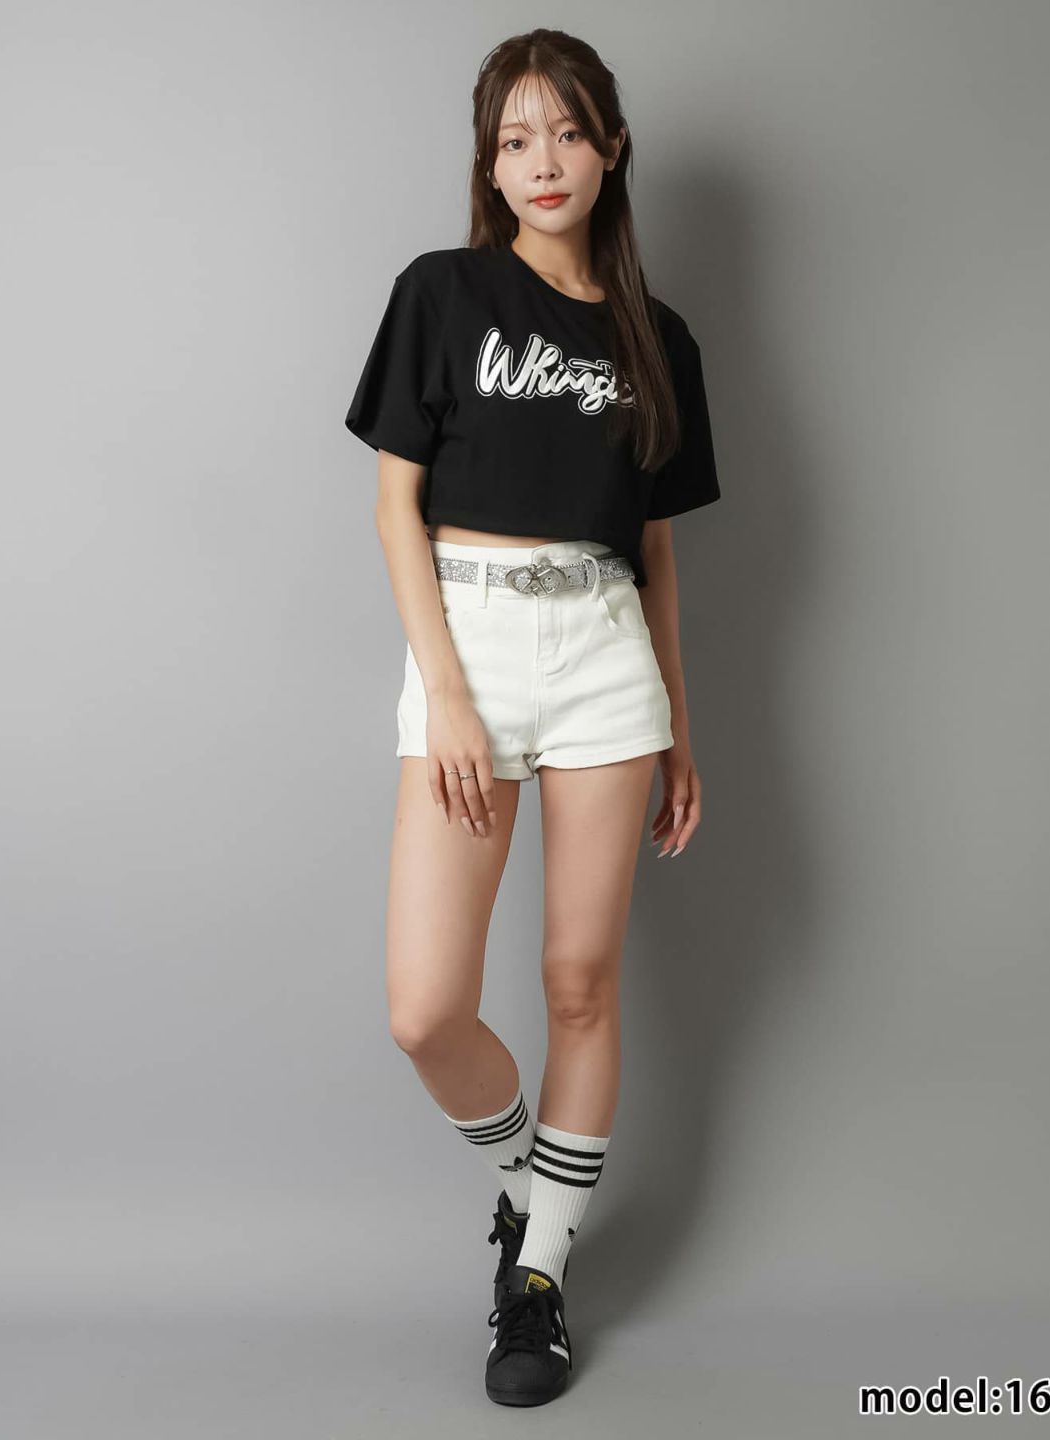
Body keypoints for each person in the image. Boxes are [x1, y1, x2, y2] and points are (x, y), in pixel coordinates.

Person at [343, 28, 721, 1408]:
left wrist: (679, 723)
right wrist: (446, 688)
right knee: (425, 1006)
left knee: (579, 982)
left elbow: (655, 548)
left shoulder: (658, 340)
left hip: (608, 655)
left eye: (566, 131)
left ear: (612, 149)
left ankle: (539, 1281)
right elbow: (396, 504)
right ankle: (533, 1192)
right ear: (489, 165)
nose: (542, 160)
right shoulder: (441, 292)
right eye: (514, 138)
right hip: (472, 644)